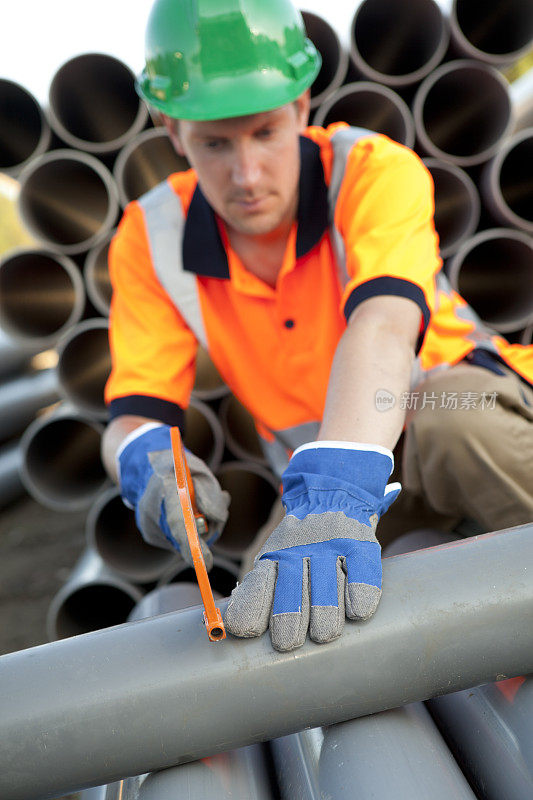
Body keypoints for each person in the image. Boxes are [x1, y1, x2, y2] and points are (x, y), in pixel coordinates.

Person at [102, 0, 533, 652]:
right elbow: (133, 412)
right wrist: (142, 460)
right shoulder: (148, 238)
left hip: (442, 407)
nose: (246, 176)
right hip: (314, 481)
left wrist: (338, 485)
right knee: (263, 636)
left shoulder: (370, 171)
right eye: (214, 144)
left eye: (265, 134)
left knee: (455, 425)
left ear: (302, 107)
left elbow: (385, 322)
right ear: (172, 128)